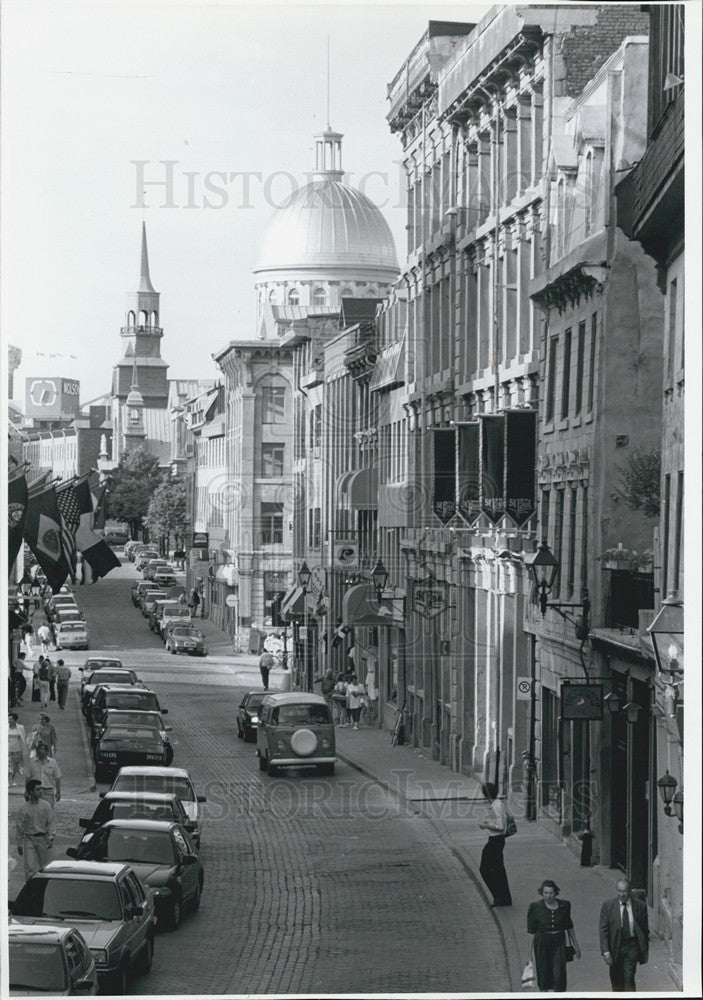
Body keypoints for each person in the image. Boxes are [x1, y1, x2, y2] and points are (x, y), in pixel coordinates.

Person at [527, 879, 581, 991]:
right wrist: (529, 954)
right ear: (542, 893)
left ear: (556, 893)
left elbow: (569, 927)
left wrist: (576, 945)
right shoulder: (535, 907)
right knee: (543, 972)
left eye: (551, 893)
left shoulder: (564, 906)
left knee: (559, 973)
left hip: (559, 942)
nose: (548, 896)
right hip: (542, 942)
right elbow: (531, 931)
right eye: (545, 893)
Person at [599, 878, 649, 991]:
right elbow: (603, 930)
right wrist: (606, 952)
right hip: (615, 947)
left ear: (630, 891)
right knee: (616, 981)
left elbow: (645, 930)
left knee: (629, 978)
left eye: (625, 891)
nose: (622, 894)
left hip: (631, 947)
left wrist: (642, 948)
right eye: (619, 891)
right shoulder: (608, 906)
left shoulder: (640, 906)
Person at [478, 781, 512, 907]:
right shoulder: (496, 804)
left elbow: (500, 826)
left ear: (486, 795)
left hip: (495, 841)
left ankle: (499, 896)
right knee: (498, 869)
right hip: (497, 840)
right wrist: (489, 820)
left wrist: (485, 825)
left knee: (485, 869)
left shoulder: (496, 805)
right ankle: (503, 898)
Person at [15, 779, 55, 880]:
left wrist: (51, 836)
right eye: (38, 790)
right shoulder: (24, 809)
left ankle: (45, 888)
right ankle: (30, 890)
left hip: (43, 839)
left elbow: (51, 822)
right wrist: (19, 844)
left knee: (46, 867)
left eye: (41, 789)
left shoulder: (46, 806)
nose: (41, 791)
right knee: (30, 867)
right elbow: (20, 827)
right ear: (31, 792)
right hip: (29, 840)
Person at [28, 743, 62, 807]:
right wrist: (26, 792)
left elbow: (57, 777)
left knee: (48, 811)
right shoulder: (32, 762)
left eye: (42, 749)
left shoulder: (53, 762)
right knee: (36, 811)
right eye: (38, 749)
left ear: (46, 751)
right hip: (35, 791)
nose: (40, 751)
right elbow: (28, 778)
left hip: (48, 791)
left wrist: (58, 792)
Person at [8, 713, 26, 785]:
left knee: (15, 765)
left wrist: (24, 748)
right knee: (8, 764)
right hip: (7, 748)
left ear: (15, 720)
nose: (9, 720)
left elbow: (23, 738)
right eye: (8, 719)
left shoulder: (20, 727)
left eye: (11, 719)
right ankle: (7, 780)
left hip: (17, 748)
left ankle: (12, 780)